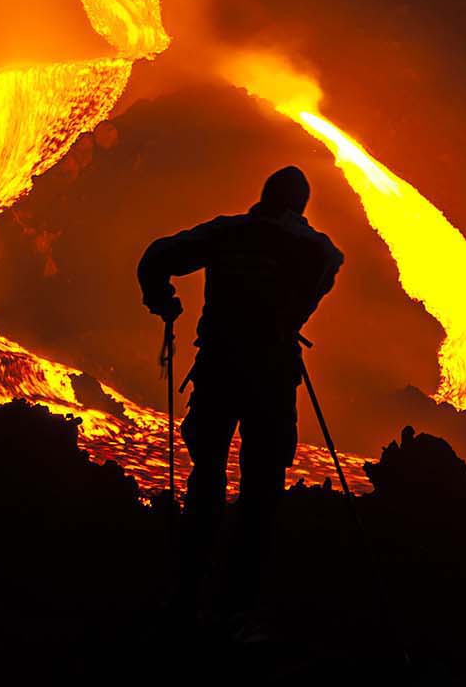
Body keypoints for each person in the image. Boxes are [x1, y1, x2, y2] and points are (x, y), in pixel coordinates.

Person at [137, 165, 344, 618]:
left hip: (219, 369)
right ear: (298, 207)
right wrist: (291, 312)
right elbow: (330, 262)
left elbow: (156, 257)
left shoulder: (227, 233)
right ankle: (236, 608)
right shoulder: (307, 246)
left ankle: (188, 592)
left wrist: (163, 301)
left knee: (206, 476)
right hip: (270, 376)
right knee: (261, 490)